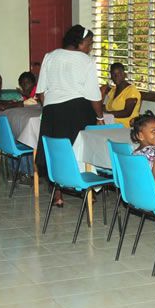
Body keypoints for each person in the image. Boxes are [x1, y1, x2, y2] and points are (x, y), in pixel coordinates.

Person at [36, 25, 104, 207]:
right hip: (78, 110)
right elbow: (94, 95)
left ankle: (58, 192)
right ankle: (87, 187)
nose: (89, 48)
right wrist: (100, 116)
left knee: (58, 150)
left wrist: (50, 108)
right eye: (89, 44)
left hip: (51, 110)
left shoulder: (49, 56)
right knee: (82, 149)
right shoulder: (85, 61)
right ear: (79, 42)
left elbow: (41, 91)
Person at [103, 62, 141, 127]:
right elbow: (108, 108)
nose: (116, 77)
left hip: (124, 127)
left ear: (124, 75)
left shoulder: (131, 90)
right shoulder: (113, 90)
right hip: (110, 124)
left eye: (119, 74)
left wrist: (108, 114)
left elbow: (127, 112)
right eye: (113, 74)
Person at [131, 112, 155, 186]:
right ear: (140, 136)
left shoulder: (134, 153)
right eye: (153, 131)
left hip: (136, 193)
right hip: (151, 194)